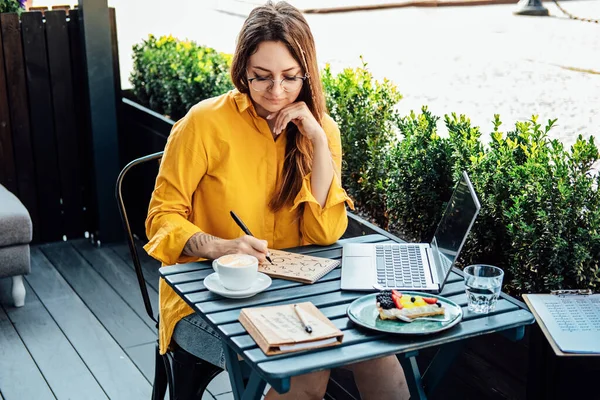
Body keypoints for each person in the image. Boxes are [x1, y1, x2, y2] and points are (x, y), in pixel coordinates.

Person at [144, 1, 410, 399]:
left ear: (307, 72)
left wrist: (317, 141)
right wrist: (221, 246)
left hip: (297, 294)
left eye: (290, 77)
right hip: (205, 299)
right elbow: (161, 217)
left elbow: (325, 233)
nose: (276, 91)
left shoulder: (322, 130)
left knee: (379, 353)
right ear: (242, 72)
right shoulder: (203, 123)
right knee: (306, 370)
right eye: (261, 77)